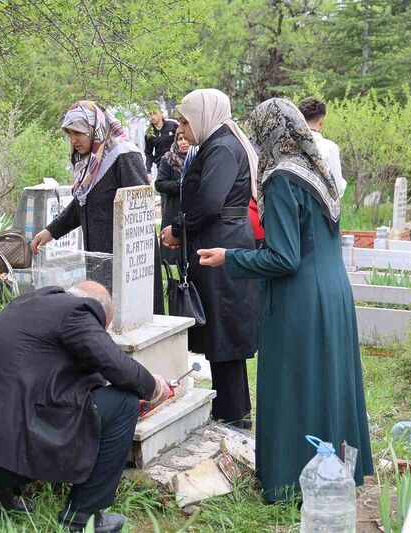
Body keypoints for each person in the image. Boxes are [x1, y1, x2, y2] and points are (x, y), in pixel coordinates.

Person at [196, 98, 374, 502]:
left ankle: (292, 481)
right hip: (334, 291)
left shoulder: (279, 178)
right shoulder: (317, 170)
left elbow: (283, 257)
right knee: (329, 381)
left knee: (296, 383)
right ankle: (338, 471)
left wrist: (229, 257)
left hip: (301, 300)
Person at [0, 282, 172, 533]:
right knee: (123, 404)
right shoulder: (79, 312)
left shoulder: (30, 303)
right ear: (99, 313)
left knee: (28, 404)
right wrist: (154, 387)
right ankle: (83, 517)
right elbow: (117, 366)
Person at [159, 89, 260, 428]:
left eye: (186, 122)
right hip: (222, 238)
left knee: (224, 330)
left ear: (204, 117)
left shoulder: (221, 147)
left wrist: (177, 228)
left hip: (222, 242)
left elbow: (210, 201)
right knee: (221, 328)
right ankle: (233, 411)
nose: (180, 130)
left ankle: (233, 416)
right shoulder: (220, 143)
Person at [31, 101, 164, 314]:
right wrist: (50, 231)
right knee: (103, 314)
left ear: (95, 128)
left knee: (126, 314)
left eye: (79, 133)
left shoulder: (124, 156)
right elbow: (82, 204)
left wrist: (131, 259)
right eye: (70, 134)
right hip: (99, 258)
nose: (73, 140)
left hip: (127, 261)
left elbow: (139, 209)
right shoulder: (90, 160)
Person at [298, 97, 347, 199]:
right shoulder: (330, 148)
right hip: (319, 209)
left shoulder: (286, 145)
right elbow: (337, 187)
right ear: (321, 120)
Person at [154, 133, 190, 264]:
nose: (183, 142)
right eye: (180, 139)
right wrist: (180, 185)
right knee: (173, 257)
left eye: (186, 138)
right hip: (174, 208)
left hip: (192, 209)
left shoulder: (198, 157)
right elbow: (159, 184)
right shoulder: (168, 158)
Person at [144, 105, 179, 179]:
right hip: (162, 166)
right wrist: (148, 171)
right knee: (164, 188)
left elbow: (184, 139)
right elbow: (148, 153)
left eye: (154, 113)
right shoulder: (149, 133)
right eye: (150, 114)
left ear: (161, 113)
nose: (152, 116)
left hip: (177, 163)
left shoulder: (173, 125)